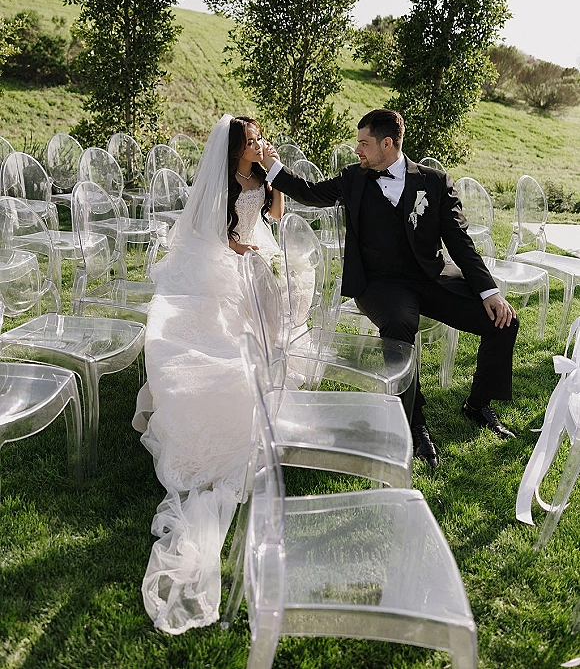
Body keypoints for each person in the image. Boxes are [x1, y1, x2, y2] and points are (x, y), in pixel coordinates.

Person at [262, 108, 519, 469]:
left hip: (431, 276)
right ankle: (414, 422)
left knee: (503, 321)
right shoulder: (353, 178)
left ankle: (478, 405)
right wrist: (271, 167)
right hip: (379, 283)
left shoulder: (435, 182)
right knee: (399, 325)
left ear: (387, 144)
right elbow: (311, 194)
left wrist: (489, 292)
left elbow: (460, 243)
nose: (357, 150)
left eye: (363, 144)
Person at [132, 114, 283, 634]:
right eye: (252, 140)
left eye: (259, 139)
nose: (258, 144)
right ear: (235, 147)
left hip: (254, 257)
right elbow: (212, 233)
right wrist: (240, 249)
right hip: (221, 268)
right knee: (212, 341)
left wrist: (273, 175)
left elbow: (276, 213)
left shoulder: (260, 177)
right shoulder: (219, 184)